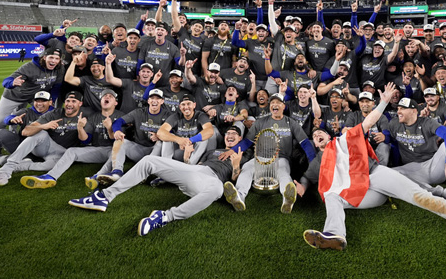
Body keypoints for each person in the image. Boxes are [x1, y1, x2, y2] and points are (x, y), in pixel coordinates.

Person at [299, 83, 446, 251]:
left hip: (376, 175)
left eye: (321, 134)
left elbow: (369, 122)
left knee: (423, 199)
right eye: (315, 139)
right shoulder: (320, 161)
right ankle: (334, 235)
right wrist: (298, 187)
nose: (318, 137)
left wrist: (383, 103)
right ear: (316, 145)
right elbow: (308, 179)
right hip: (362, 194)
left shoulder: (342, 140)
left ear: (329, 135)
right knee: (332, 197)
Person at [68, 125, 253, 236]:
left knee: (217, 190)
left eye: (234, 134)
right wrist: (187, 158)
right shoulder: (214, 151)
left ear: (240, 139)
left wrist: (236, 165)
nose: (230, 136)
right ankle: (104, 196)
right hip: (198, 170)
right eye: (228, 133)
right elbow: (190, 167)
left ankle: (164, 216)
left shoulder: (243, 156)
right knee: (149, 160)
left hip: (213, 181)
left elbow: (235, 182)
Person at [222, 93, 316, 214]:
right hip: (260, 158)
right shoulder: (261, 122)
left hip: (281, 158)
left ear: (283, 106)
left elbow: (305, 143)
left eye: (278, 103)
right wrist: (232, 150)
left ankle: (287, 199)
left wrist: (312, 160)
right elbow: (247, 142)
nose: (274, 105)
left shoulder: (291, 123)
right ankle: (239, 197)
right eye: (272, 103)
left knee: (284, 172)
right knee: (246, 168)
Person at [19, 89, 124, 189]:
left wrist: (110, 128)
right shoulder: (93, 117)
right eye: (104, 96)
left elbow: (118, 142)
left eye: (110, 96)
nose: (107, 97)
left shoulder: (121, 117)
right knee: (71, 151)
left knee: (114, 154)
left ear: (115, 102)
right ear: (100, 101)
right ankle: (50, 176)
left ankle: (97, 177)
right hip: (98, 150)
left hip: (116, 150)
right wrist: (80, 128)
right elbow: (85, 140)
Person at [0, 91, 85, 187]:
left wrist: (81, 128)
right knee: (40, 133)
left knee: (51, 166)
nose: (69, 104)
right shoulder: (54, 113)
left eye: (73, 101)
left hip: (64, 153)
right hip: (49, 146)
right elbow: (25, 131)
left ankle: (17, 165)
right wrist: (44, 126)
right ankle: (5, 171)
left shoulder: (87, 114)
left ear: (80, 103)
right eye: (68, 101)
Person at [0, 91, 54, 176]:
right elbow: (7, 118)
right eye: (37, 101)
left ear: (50, 102)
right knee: (1, 133)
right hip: (22, 149)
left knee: (10, 161)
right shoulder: (26, 111)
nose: (39, 104)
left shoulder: (57, 114)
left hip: (44, 152)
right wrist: (11, 119)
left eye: (43, 101)